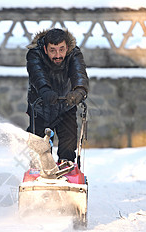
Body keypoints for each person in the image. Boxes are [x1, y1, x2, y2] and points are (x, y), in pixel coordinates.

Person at [26, 28, 89, 163]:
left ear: (67, 47)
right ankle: (40, 169)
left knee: (68, 143)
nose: (58, 55)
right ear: (45, 48)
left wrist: (79, 91)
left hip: (66, 105)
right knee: (40, 147)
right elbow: (38, 76)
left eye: (61, 49)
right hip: (40, 107)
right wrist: (45, 91)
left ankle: (66, 167)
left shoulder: (74, 54)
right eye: (53, 50)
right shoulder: (34, 54)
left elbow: (79, 74)